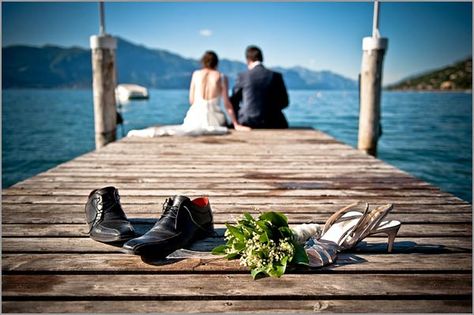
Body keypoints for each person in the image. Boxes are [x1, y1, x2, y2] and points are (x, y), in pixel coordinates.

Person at [128, 51, 249, 137]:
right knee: (219, 120)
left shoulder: (196, 74)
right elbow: (227, 104)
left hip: (195, 115)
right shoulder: (221, 77)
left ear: (203, 62)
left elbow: (192, 100)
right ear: (216, 63)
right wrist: (236, 124)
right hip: (214, 117)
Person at [230, 46, 289, 129]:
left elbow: (233, 102)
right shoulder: (276, 76)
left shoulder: (242, 76)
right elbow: (285, 103)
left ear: (248, 60)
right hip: (274, 122)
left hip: (247, 122)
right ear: (262, 59)